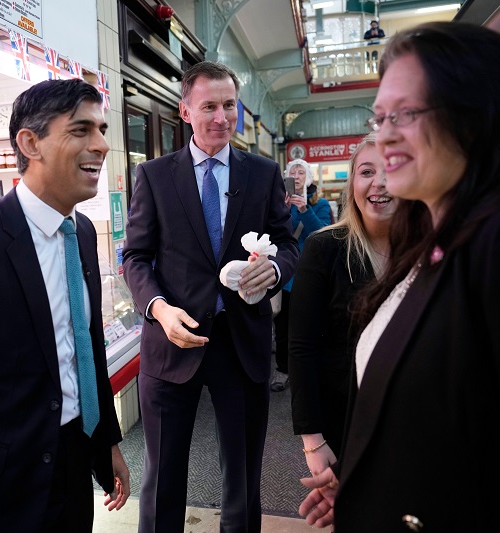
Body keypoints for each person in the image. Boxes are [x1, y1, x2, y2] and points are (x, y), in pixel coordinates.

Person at [299, 22, 500, 531]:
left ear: (475, 114)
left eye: (405, 114)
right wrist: (366, 483)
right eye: (380, 116)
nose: (384, 134)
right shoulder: (435, 238)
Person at [0, 79, 130, 532]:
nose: (102, 144)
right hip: (3, 487)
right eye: (81, 130)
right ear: (30, 143)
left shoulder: (83, 233)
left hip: (75, 461)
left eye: (102, 129)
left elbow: (86, 349)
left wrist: (107, 441)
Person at [123, 61, 299, 532]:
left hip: (241, 341)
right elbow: (135, 257)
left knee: (243, 478)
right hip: (171, 342)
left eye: (229, 106)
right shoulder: (155, 177)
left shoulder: (262, 173)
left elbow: (288, 243)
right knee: (162, 480)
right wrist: (159, 310)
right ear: (185, 110)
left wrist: (276, 269)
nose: (221, 117)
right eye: (209, 106)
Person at [288, 133, 394, 475]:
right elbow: (301, 348)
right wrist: (312, 440)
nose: (379, 183)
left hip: (414, 420)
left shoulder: (430, 251)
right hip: (343, 418)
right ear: (352, 184)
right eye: (366, 172)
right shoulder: (326, 248)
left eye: (392, 169)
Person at [270, 159, 331, 392]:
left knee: (310, 324)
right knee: (283, 328)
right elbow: (274, 234)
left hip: (310, 275)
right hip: (286, 275)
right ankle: (283, 370)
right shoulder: (279, 203)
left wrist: (304, 209)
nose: (296, 175)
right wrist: (284, 209)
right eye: (292, 171)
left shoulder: (321, 204)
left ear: (309, 177)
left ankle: (309, 368)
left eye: (301, 171)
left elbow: (322, 234)